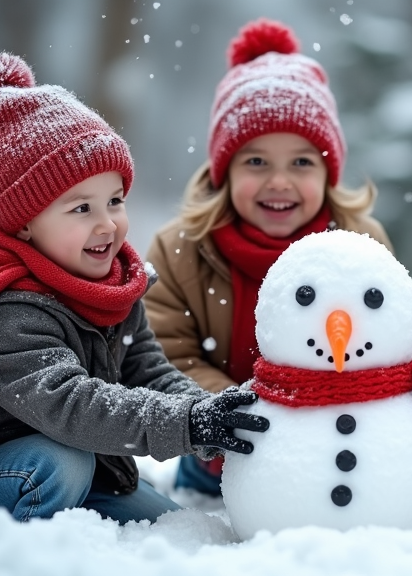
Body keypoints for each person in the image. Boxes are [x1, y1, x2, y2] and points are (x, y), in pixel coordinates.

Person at [0, 52, 268, 530]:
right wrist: (183, 425)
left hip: (65, 463)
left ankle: (62, 518)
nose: (108, 223)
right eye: (81, 209)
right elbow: (72, 404)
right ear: (23, 224)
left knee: (175, 526)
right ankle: (10, 554)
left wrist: (207, 413)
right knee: (61, 465)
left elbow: (147, 369)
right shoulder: (2, 311)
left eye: (114, 200)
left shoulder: (110, 289)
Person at [143, 18, 393, 497]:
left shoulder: (360, 242)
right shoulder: (182, 249)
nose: (279, 181)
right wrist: (238, 413)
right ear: (224, 171)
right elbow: (167, 356)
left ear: (327, 172)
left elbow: (386, 346)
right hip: (221, 450)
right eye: (256, 161)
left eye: (301, 162)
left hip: (336, 442)